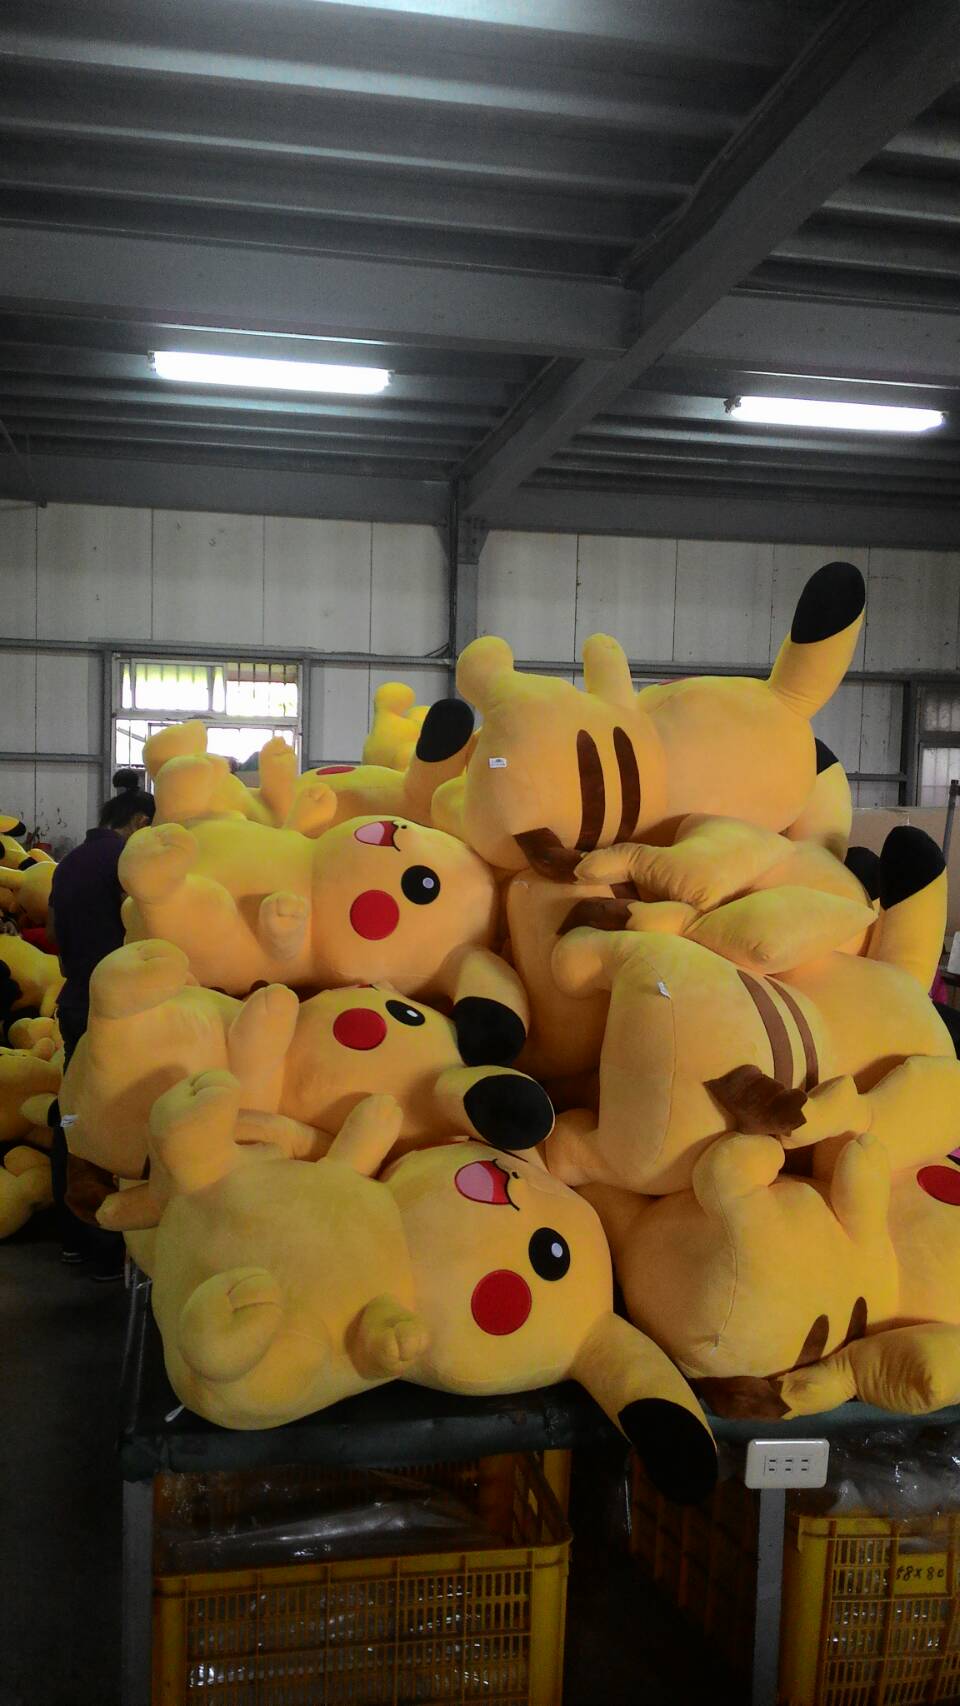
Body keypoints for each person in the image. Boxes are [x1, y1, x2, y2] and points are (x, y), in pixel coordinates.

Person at [48, 770, 156, 1278]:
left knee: (73, 1114)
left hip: (75, 1004)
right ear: (140, 822)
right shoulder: (126, 862)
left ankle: (72, 1235)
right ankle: (107, 1243)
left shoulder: (70, 861)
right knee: (116, 1118)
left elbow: (53, 932)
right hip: (117, 1012)